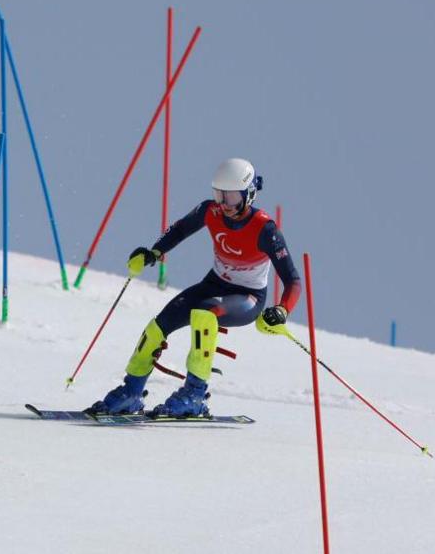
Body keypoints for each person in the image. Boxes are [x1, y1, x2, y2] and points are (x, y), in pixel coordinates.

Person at [88, 158, 301, 418]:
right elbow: (179, 229)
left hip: (247, 297)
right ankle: (130, 392)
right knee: (158, 326)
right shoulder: (210, 211)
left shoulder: (265, 229)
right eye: (218, 195)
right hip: (213, 285)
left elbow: (293, 281)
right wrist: (153, 253)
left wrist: (282, 310)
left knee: (205, 315)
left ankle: (194, 395)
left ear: (248, 194)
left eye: (231, 197)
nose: (223, 204)